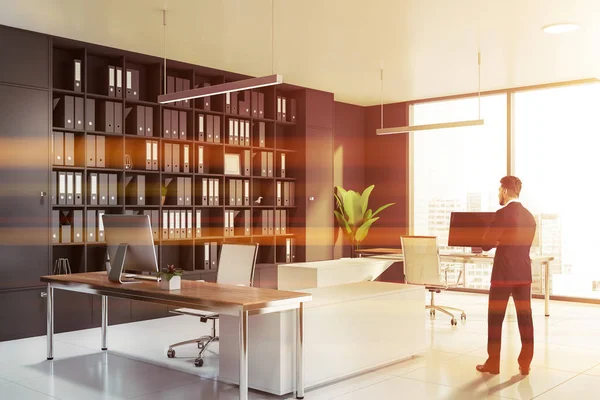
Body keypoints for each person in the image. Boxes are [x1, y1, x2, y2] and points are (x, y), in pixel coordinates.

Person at [476, 176, 537, 376]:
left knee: (495, 319)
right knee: (525, 318)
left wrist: (496, 240)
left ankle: (493, 363)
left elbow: (486, 244)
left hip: (502, 275)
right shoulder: (530, 217)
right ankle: (525, 363)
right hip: (523, 275)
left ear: (504, 191)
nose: (498, 194)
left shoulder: (501, 214)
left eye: (498, 190)